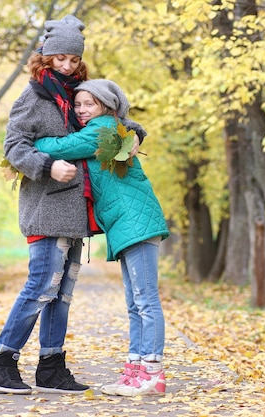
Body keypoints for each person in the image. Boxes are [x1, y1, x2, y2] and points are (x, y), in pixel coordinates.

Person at [0, 15, 145, 395]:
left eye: (73, 60)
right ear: (45, 55)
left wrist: (136, 133)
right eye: (60, 58)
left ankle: (51, 367)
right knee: (42, 285)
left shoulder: (80, 97)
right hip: (45, 207)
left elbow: (113, 119)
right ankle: (1, 363)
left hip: (77, 211)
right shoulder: (33, 97)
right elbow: (13, 147)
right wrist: (46, 164)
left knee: (62, 292)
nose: (67, 66)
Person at [33, 79, 169, 397]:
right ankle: (135, 372)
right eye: (77, 104)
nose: (81, 110)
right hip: (126, 224)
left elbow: (61, 147)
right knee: (135, 303)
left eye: (88, 104)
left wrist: (28, 144)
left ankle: (152, 372)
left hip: (137, 222)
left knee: (146, 300)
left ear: (106, 106)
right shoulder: (110, 128)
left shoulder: (103, 129)